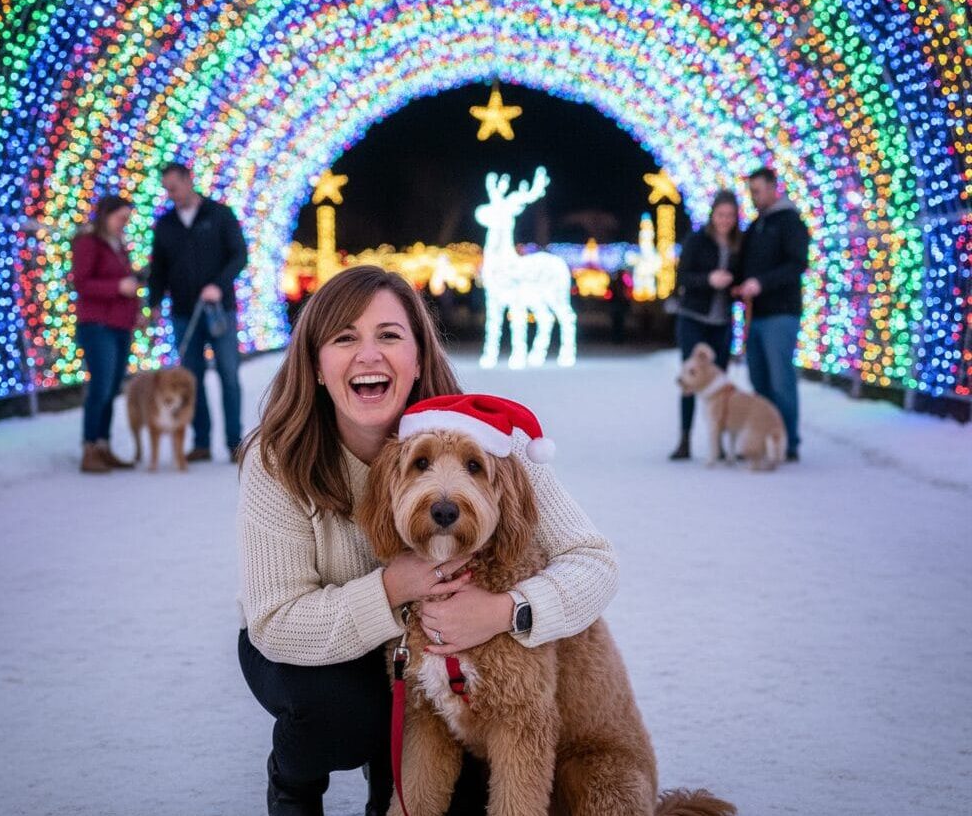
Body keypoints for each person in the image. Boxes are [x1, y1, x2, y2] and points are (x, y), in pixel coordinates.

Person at [236, 265, 618, 816]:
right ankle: (294, 784)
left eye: (389, 336)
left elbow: (594, 561)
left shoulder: (485, 441)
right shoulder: (280, 461)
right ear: (317, 366)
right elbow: (275, 622)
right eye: (345, 338)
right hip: (311, 651)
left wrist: (509, 611)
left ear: (418, 358)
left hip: (447, 650)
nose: (368, 355)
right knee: (343, 713)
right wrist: (395, 587)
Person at [147, 162, 247, 463]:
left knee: (229, 374)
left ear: (189, 181)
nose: (171, 194)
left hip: (220, 312)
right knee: (190, 379)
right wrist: (152, 302)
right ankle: (201, 442)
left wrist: (218, 284)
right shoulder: (165, 225)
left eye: (174, 187)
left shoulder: (220, 215)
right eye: (166, 189)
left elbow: (239, 254)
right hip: (182, 313)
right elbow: (158, 269)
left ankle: (234, 443)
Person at [733, 167, 810, 461]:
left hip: (781, 314)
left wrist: (760, 283)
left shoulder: (790, 222)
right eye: (751, 191)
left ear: (773, 188)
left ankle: (787, 442)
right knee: (759, 380)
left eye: (758, 191)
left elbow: (797, 264)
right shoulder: (756, 225)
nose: (754, 197)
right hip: (755, 315)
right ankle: (764, 437)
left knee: (780, 380)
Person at [669, 190, 741, 460]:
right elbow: (683, 277)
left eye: (730, 215)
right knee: (690, 377)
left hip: (722, 322)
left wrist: (734, 285)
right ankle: (684, 439)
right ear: (713, 215)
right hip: (694, 319)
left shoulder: (738, 244)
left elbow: (743, 274)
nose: (725, 220)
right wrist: (708, 279)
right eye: (721, 214)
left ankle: (719, 442)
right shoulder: (697, 240)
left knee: (720, 382)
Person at [71, 194, 141, 474]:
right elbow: (82, 283)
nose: (124, 224)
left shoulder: (118, 245)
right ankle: (90, 448)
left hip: (120, 324)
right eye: (121, 218)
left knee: (112, 388)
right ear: (106, 215)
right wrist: (118, 287)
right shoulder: (89, 242)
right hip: (97, 325)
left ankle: (103, 445)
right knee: (100, 386)